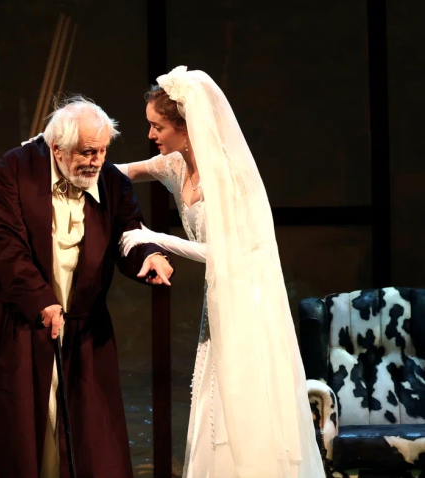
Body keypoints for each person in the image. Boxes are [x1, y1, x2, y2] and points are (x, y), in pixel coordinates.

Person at [117, 67, 324, 477]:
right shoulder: (175, 166)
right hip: (220, 300)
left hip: (248, 305)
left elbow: (225, 252)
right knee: (213, 405)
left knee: (242, 407)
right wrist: (56, 155)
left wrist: (151, 237)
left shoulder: (229, 178)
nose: (151, 134)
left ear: (186, 126)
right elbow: (119, 172)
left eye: (158, 126)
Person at [0, 96, 175, 478]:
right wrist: (42, 301)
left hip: (83, 330)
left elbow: (129, 231)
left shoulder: (110, 181)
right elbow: (6, 247)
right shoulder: (12, 172)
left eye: (103, 151)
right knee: (22, 440)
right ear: (56, 148)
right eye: (87, 152)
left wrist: (149, 256)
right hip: (21, 325)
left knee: (87, 442)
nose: (97, 161)